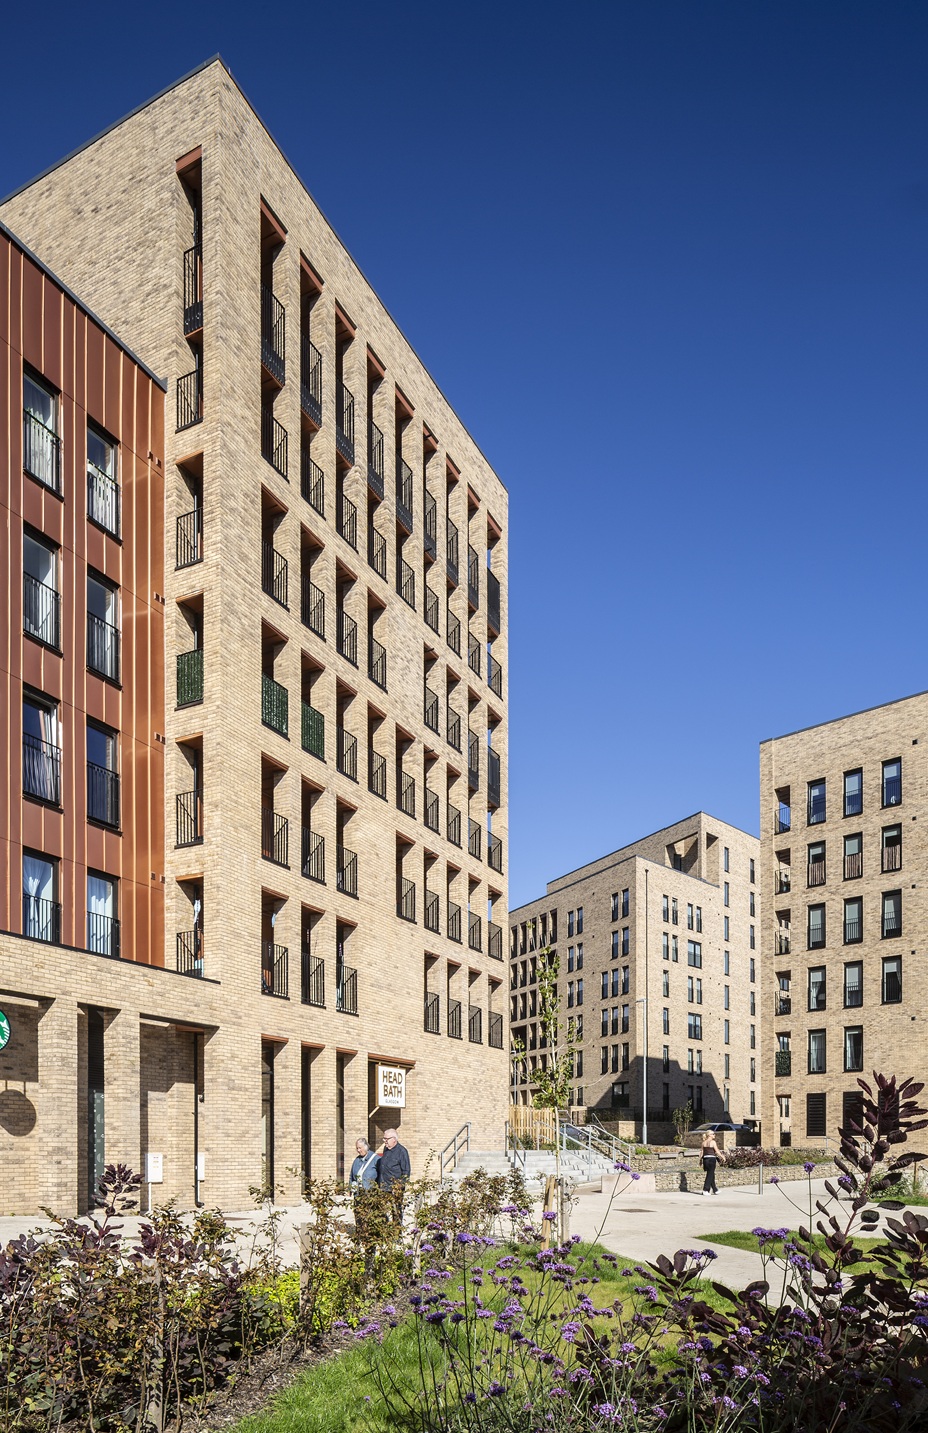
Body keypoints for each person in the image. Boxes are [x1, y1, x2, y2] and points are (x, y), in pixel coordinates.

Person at [349, 1137, 381, 1258]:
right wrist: (350, 1188)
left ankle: (370, 1237)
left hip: (370, 1194)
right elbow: (351, 1175)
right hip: (358, 1193)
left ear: (366, 1147)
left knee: (369, 1215)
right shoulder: (356, 1161)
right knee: (359, 1216)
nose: (358, 1150)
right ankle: (360, 1236)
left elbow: (380, 1176)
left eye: (360, 1148)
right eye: (357, 1148)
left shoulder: (375, 1159)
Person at [378, 1127, 411, 1221]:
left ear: (394, 1139)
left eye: (386, 1139)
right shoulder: (386, 1149)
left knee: (396, 1212)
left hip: (395, 1188)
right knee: (381, 1211)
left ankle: (397, 1234)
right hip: (384, 1186)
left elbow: (406, 1171)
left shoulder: (402, 1151)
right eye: (384, 1139)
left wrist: (399, 1186)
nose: (384, 1141)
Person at [701, 1131, 724, 1196]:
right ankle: (705, 1190)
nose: (714, 1135)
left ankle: (715, 1190)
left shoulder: (703, 1143)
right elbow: (717, 1151)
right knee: (710, 1174)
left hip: (705, 1159)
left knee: (711, 1174)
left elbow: (702, 1152)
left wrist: (700, 1160)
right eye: (713, 1134)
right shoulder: (713, 1142)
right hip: (711, 1159)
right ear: (709, 1135)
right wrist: (722, 1157)